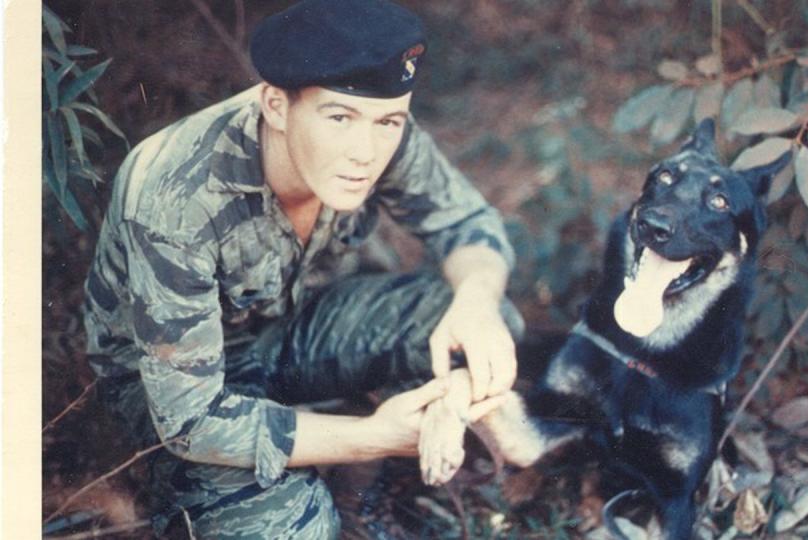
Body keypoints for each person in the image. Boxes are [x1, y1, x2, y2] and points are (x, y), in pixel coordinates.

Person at [82, 0, 522, 536]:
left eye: (387, 121)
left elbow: (468, 224)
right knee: (294, 529)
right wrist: (373, 434)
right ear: (275, 105)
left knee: (487, 320)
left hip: (295, 331)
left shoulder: (380, 132)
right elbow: (190, 420)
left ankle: (363, 488)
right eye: (338, 117)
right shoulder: (176, 191)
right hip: (177, 394)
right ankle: (313, 472)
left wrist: (476, 302)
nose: (365, 150)